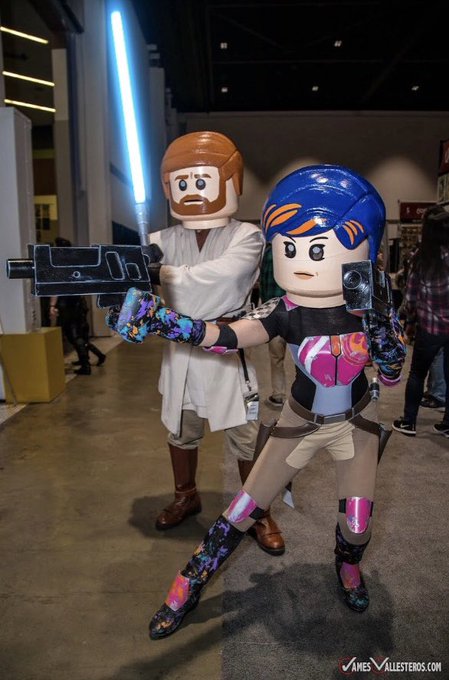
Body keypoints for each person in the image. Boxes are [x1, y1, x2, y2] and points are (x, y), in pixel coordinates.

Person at [110, 164, 406, 639]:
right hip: (298, 423)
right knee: (242, 510)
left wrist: (379, 326)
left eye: (317, 248)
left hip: (356, 424)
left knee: (357, 521)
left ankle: (348, 566)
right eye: (289, 247)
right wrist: (162, 321)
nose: (302, 259)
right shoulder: (284, 310)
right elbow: (224, 336)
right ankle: (189, 581)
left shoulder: (369, 308)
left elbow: (391, 377)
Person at [142, 131, 284, 554]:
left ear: (229, 181)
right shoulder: (161, 241)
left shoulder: (248, 237)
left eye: (201, 180)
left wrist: (160, 274)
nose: (192, 191)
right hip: (181, 353)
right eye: (183, 182)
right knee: (180, 429)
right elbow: (142, 288)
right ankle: (186, 496)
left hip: (226, 346)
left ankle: (257, 511)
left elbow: (223, 280)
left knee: (245, 435)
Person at [393, 205, 449, 437]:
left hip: (430, 329)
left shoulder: (422, 258)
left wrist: (407, 320)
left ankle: (409, 421)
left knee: (417, 374)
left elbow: (411, 297)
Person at [49, 238, 106, 376]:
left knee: (74, 335)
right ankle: (94, 357)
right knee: (78, 334)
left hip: (68, 305)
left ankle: (86, 365)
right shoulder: (74, 262)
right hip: (77, 303)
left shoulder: (60, 265)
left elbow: (57, 288)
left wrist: (52, 305)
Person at [259, 242, 287, 407]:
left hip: (274, 313)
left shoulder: (269, 252)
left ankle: (279, 395)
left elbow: (263, 283)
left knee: (277, 358)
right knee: (301, 356)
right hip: (296, 311)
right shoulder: (297, 248)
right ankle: (304, 396)